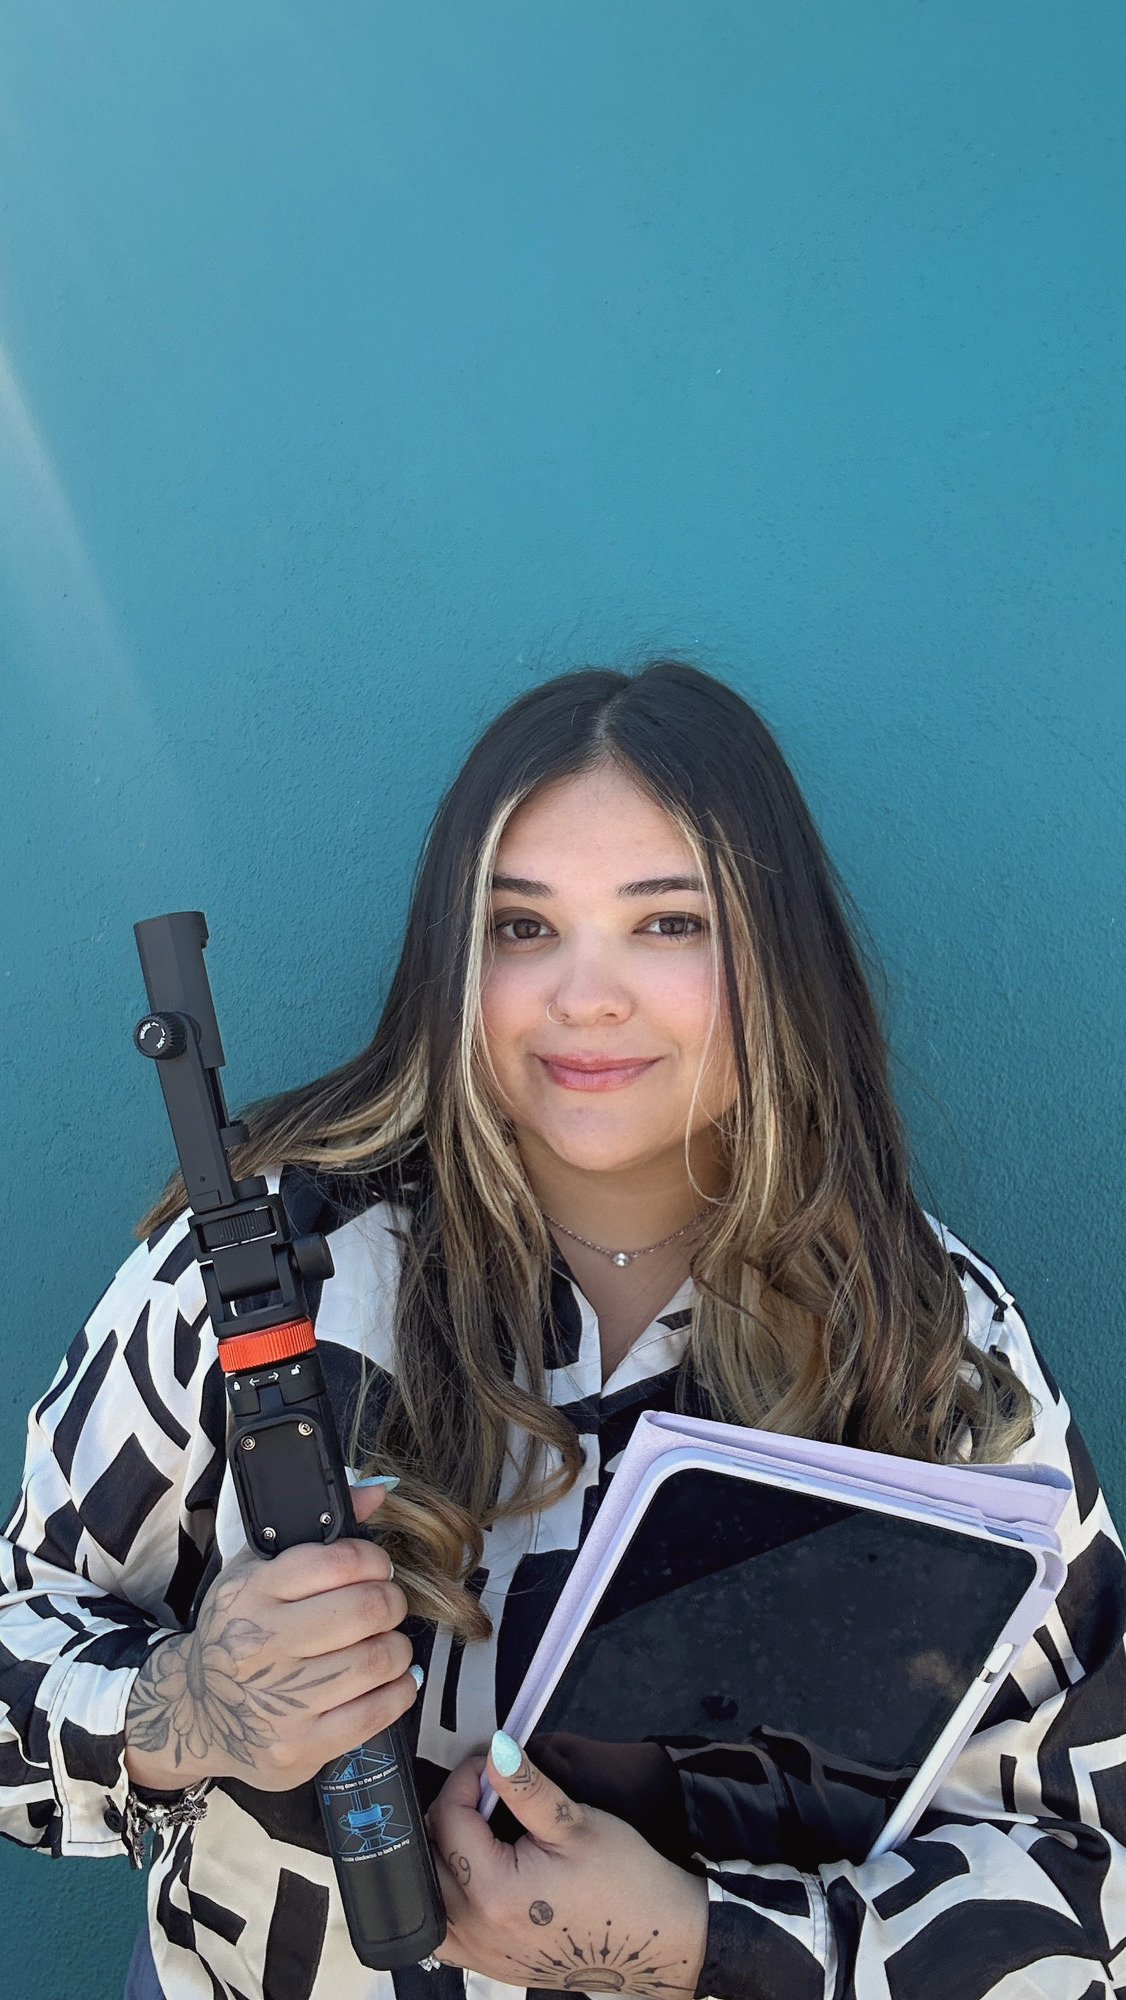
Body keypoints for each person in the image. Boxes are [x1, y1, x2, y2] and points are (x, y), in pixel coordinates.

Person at [1, 661, 1123, 2000]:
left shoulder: (934, 1342)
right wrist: (186, 1706)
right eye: (522, 929)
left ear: (776, 952)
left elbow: (1087, 1872)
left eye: (667, 924)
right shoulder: (270, 1270)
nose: (586, 997)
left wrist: (710, 1944)